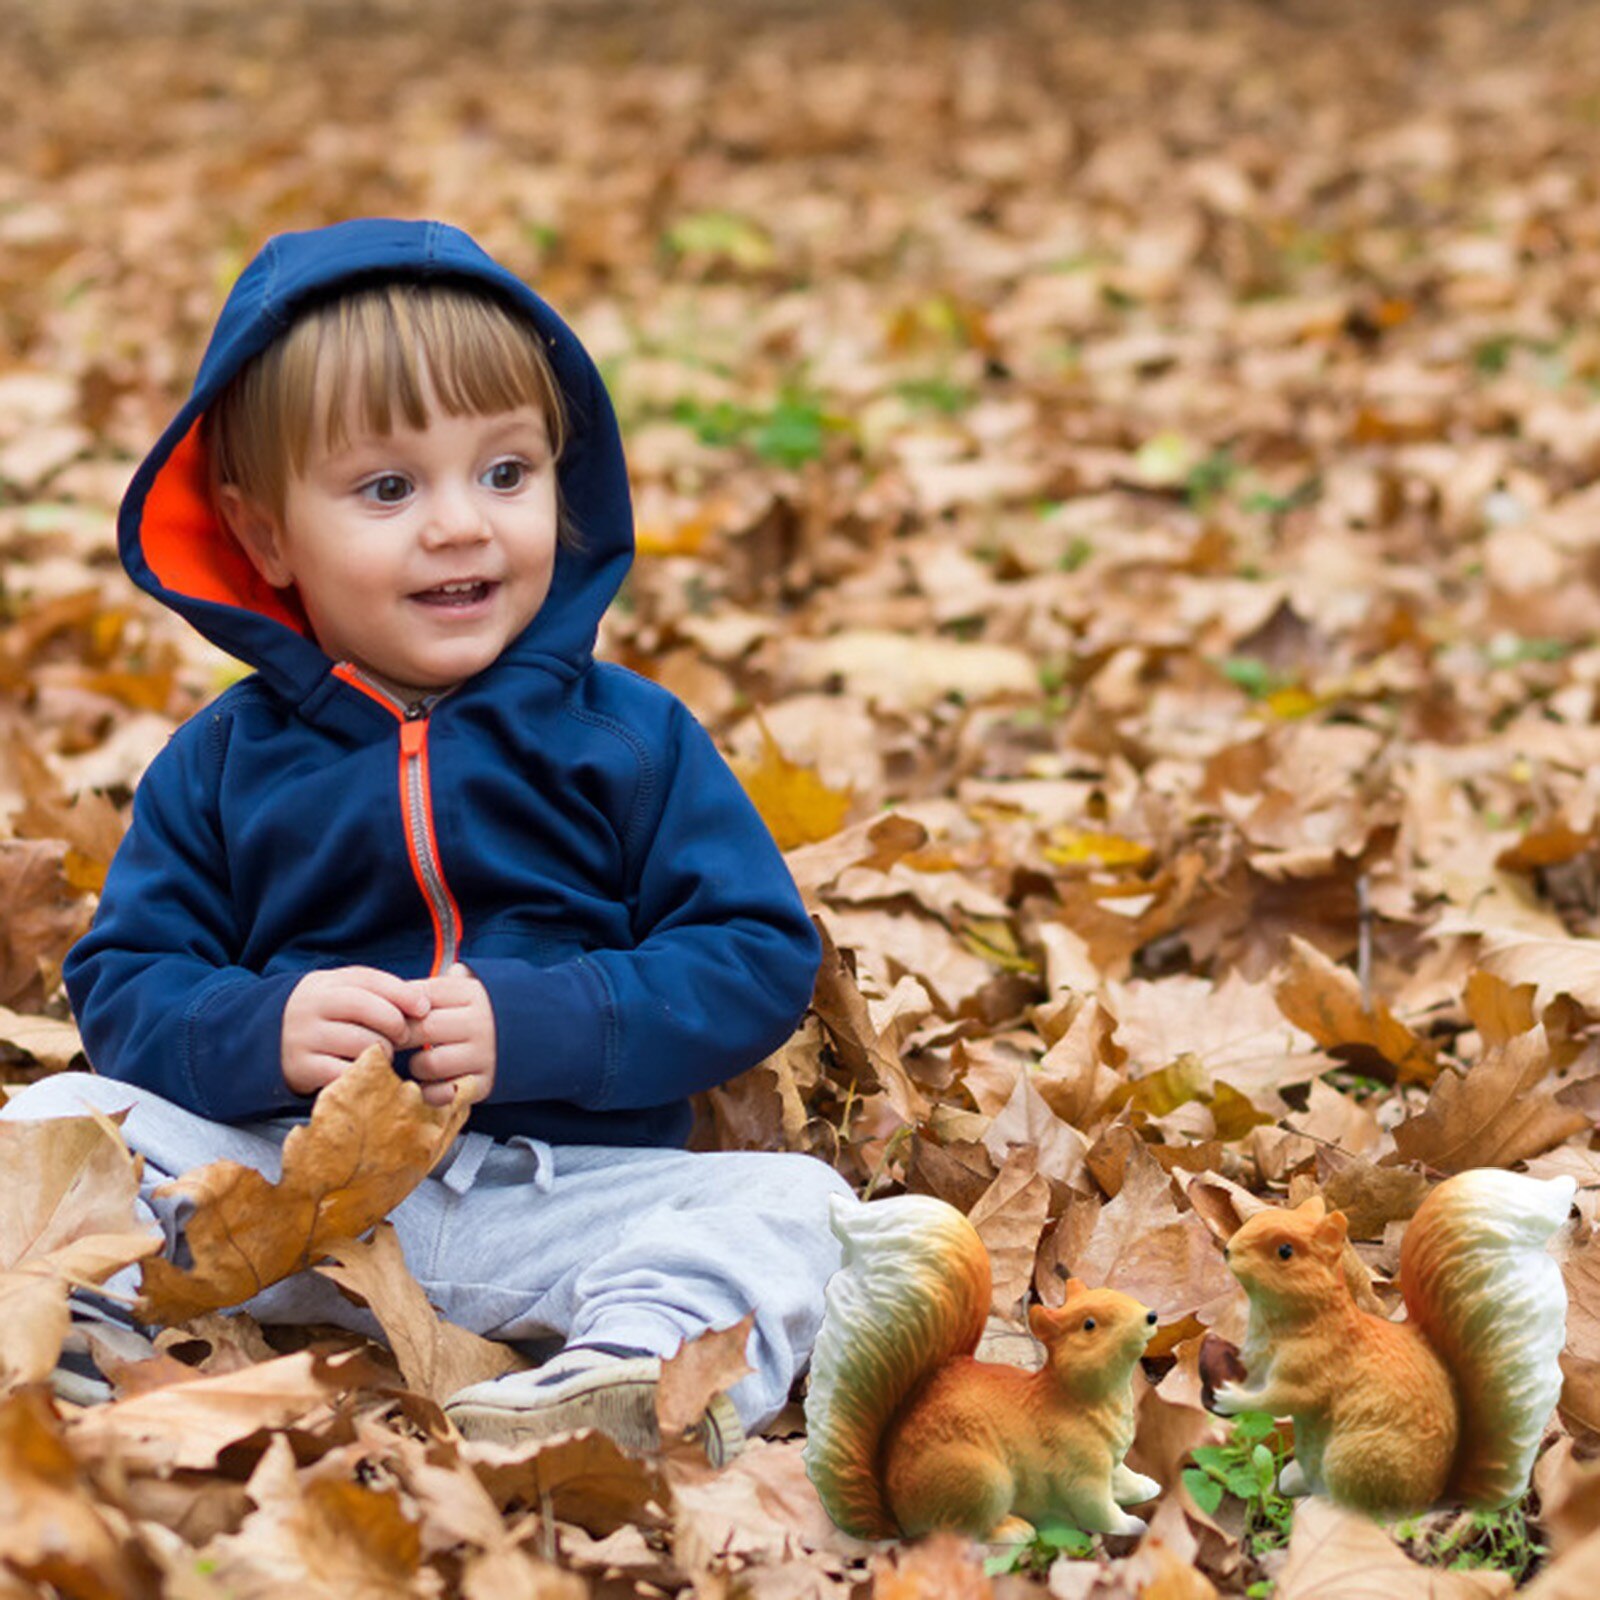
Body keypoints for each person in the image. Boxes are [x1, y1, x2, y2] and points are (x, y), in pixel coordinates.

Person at [3, 217, 854, 1460]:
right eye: (389, 488)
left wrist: (545, 1019)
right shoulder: (222, 762)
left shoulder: (627, 739)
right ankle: (74, 1327)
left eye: (505, 473)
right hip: (283, 1194)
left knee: (808, 1211)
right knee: (52, 1124)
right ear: (266, 534)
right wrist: (262, 1032)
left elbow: (750, 954)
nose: (460, 524)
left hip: (567, 1197)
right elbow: (128, 984)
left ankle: (631, 1383)